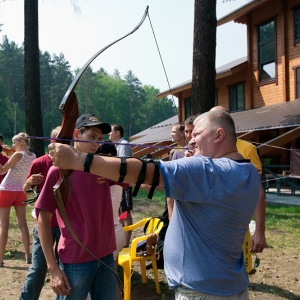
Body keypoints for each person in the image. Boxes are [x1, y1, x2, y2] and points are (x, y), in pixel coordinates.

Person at [48, 110, 261, 299]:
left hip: (202, 292)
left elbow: (144, 171)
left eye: (196, 134)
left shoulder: (204, 170)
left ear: (219, 135)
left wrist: (78, 160)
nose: (191, 141)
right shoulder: (249, 171)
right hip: (234, 288)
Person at [35, 114, 118, 299]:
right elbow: (43, 219)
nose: (96, 143)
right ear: (76, 134)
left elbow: (135, 178)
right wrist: (53, 268)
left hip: (105, 256)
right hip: (76, 260)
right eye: (91, 136)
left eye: (99, 139)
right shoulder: (58, 170)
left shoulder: (102, 165)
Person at [210, 106, 266, 253]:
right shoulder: (203, 148)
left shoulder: (247, 148)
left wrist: (259, 231)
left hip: (235, 224)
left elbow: (257, 191)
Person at [20, 126, 61, 300]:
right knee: (39, 267)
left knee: (68, 267)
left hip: (67, 225)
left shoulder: (75, 163)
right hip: (44, 224)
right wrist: (29, 182)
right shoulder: (39, 163)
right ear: (52, 142)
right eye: (60, 139)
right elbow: (26, 191)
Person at [96, 141, 128, 300]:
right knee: (111, 278)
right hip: (115, 231)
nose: (96, 160)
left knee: (96, 280)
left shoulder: (108, 174)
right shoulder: (116, 174)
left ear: (108, 157)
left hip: (109, 234)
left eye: (98, 156)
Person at [0, 132, 36, 267]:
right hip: (20, 191)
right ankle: (28, 256)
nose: (12, 145)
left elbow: (2, 171)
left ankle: (0, 259)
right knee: (23, 224)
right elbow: (17, 161)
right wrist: (8, 151)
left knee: (4, 225)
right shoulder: (32, 156)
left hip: (6, 190)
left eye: (14, 143)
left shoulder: (17, 154)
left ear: (21, 143)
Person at [109, 124, 133, 247]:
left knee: (126, 212)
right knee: (121, 212)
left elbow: (121, 163)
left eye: (111, 132)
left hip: (124, 183)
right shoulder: (116, 145)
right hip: (118, 183)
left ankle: (126, 242)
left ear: (117, 133)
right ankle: (122, 240)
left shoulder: (123, 144)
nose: (108, 134)